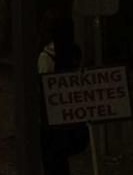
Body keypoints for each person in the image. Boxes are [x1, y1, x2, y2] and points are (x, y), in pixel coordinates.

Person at [36, 16, 87, 175]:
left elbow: (43, 86)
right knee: (61, 161)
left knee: (53, 161)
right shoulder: (73, 52)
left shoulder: (47, 56)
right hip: (70, 118)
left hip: (53, 120)